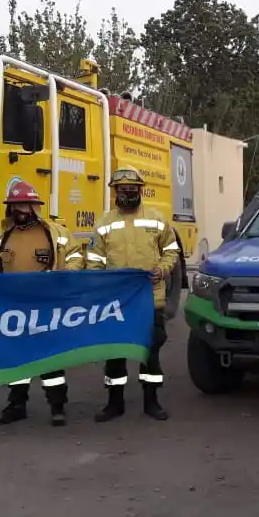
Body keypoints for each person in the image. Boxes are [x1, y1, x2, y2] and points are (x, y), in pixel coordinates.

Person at [0, 181, 85, 427]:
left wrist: (67, 272)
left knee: (51, 359)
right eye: (16, 205)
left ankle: (57, 407)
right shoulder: (2, 235)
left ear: (35, 206)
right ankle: (16, 405)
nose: (21, 210)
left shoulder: (57, 232)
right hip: (13, 307)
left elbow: (76, 256)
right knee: (16, 359)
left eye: (26, 205)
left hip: (46, 306)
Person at [88, 167, 181, 422]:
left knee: (150, 353)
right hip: (116, 302)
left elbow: (171, 250)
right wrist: (99, 284)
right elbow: (95, 260)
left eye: (132, 189)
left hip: (149, 299)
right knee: (114, 353)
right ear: (115, 192)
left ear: (140, 191)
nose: (127, 193)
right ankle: (114, 403)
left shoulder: (156, 219)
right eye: (122, 190)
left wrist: (162, 269)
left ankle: (152, 401)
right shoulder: (104, 223)